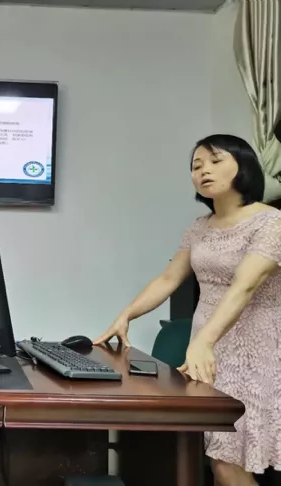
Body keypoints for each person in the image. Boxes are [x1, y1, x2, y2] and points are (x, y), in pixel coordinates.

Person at [94, 134, 281, 486]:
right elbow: (169, 279)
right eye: (196, 166)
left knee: (227, 461)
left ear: (244, 166)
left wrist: (204, 342)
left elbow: (244, 285)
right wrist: (125, 316)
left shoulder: (271, 222)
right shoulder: (199, 227)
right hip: (206, 349)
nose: (203, 171)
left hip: (254, 350)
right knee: (216, 456)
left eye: (215, 161)